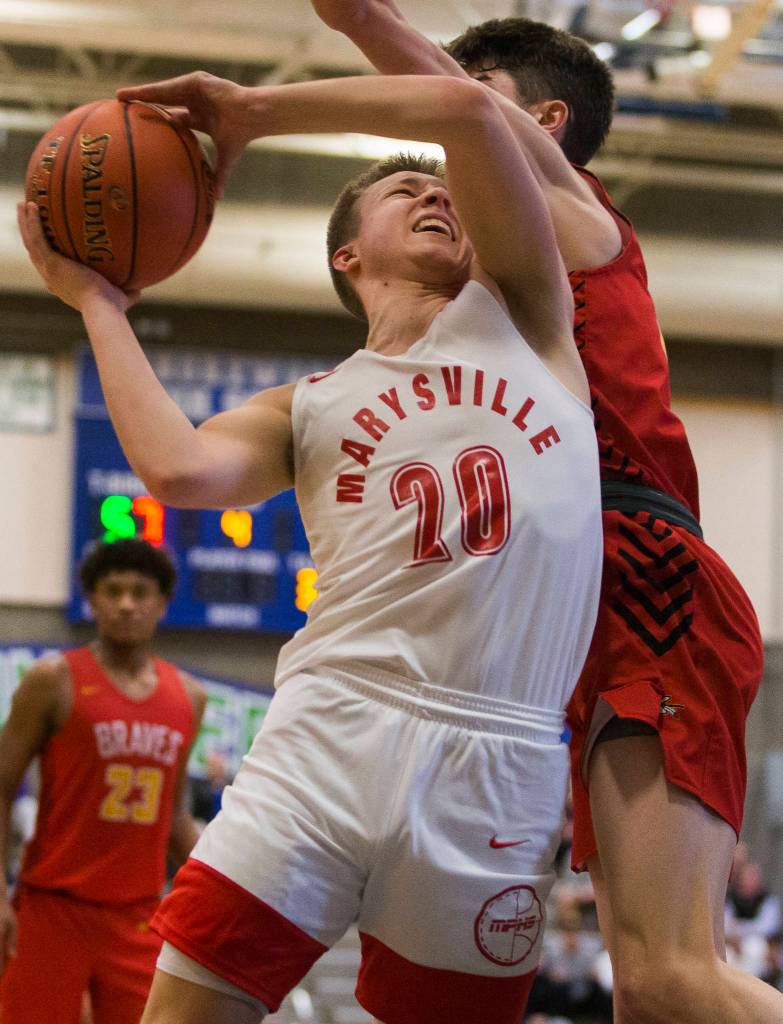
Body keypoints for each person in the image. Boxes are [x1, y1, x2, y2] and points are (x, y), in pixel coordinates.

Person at [20, 69, 603, 1024]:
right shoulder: (311, 403)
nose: (433, 194)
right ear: (345, 257)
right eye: (399, 190)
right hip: (328, 731)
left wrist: (252, 113)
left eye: (442, 189)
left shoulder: (532, 320)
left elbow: (464, 113)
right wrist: (98, 306)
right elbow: (177, 473)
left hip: (497, 754)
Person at [297, 6, 778, 1023]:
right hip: (571, 612)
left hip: (644, 573)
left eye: (463, 112)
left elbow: (459, 103)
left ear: (545, 125)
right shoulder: (485, 293)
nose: (443, 147)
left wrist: (353, 22)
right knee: (650, 990)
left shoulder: (577, 211)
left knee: (671, 977)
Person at [0, 538, 206, 1024]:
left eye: (140, 592)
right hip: (52, 906)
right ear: (91, 600)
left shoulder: (189, 698)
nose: (126, 604)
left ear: (162, 603)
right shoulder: (52, 679)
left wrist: (228, 889)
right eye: (112, 591)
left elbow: (174, 816)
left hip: (137, 913)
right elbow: (2, 785)